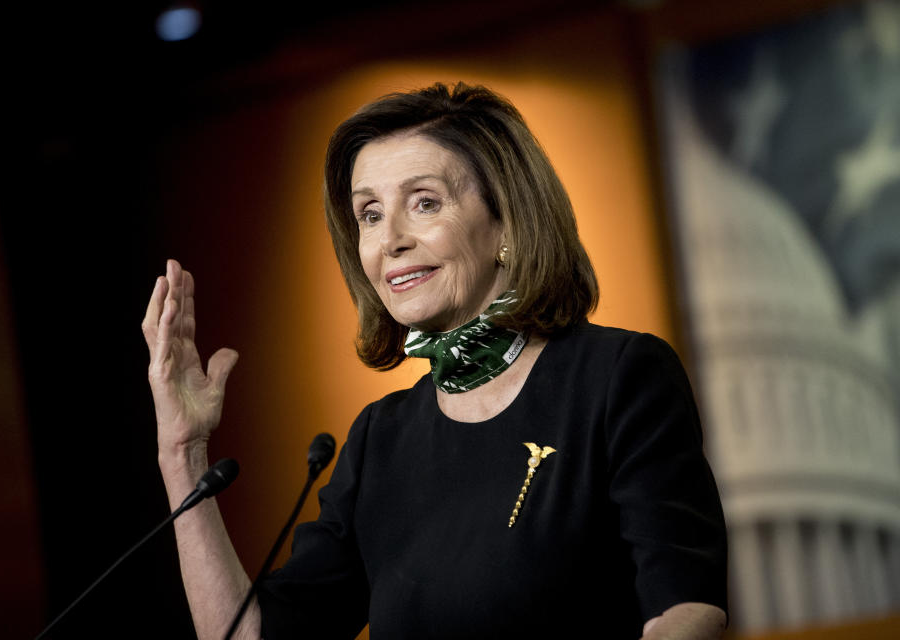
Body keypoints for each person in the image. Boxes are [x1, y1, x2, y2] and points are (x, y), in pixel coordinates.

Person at [142, 82, 728, 639]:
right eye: (368, 214)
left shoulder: (618, 378)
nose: (389, 238)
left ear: (507, 223)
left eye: (424, 203)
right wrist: (182, 453)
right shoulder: (379, 441)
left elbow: (687, 608)